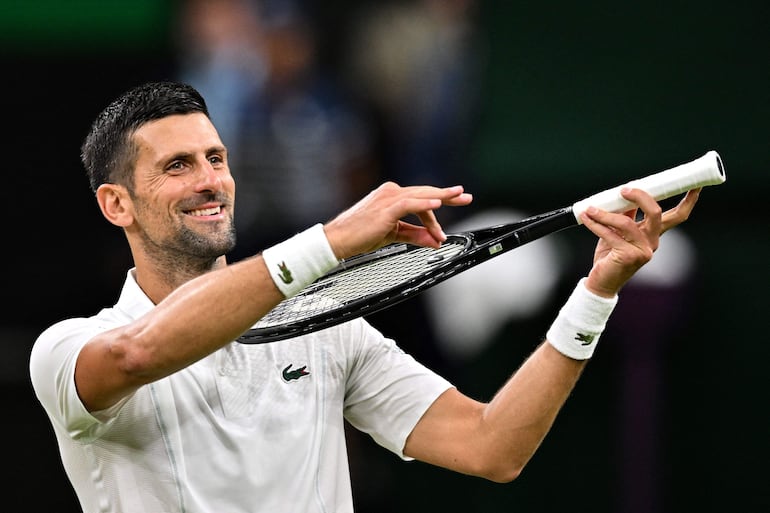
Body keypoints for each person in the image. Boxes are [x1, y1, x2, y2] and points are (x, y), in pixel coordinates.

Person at [29, 81, 702, 513]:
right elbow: (140, 352)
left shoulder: (327, 329)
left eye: (215, 158)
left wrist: (598, 290)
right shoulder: (67, 350)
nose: (210, 180)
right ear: (117, 203)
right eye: (177, 165)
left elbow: (492, 446)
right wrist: (332, 239)